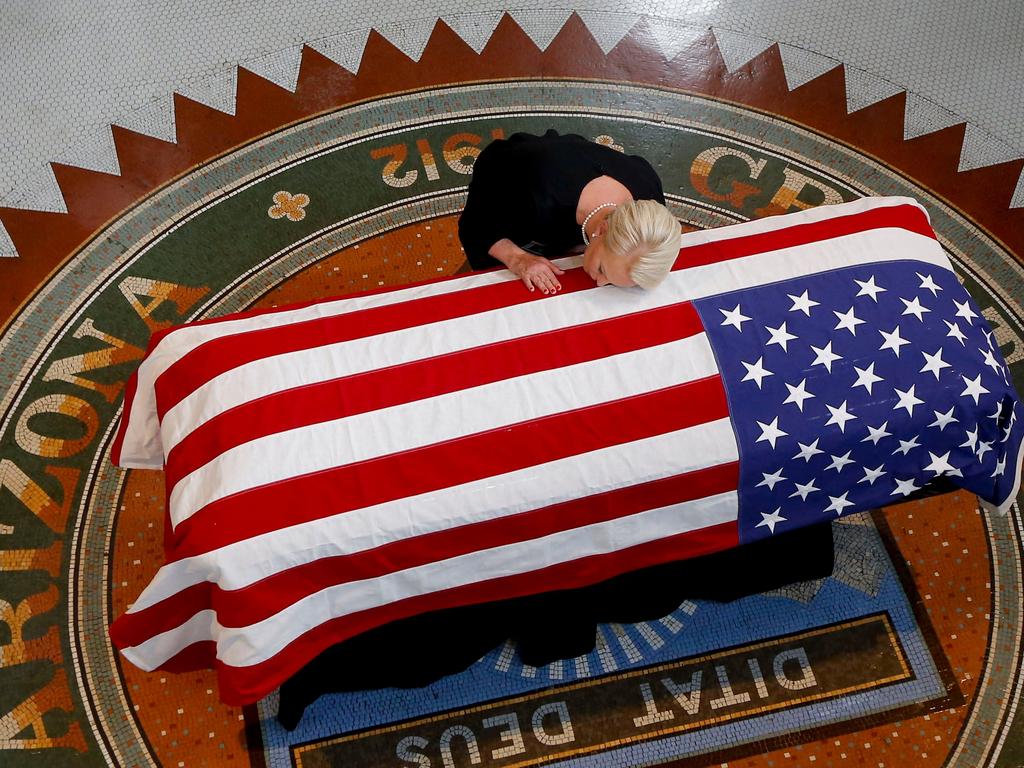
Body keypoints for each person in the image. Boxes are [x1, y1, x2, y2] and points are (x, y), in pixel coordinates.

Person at [458, 129, 681, 294]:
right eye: (602, 269)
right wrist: (517, 258)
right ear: (602, 230)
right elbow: (475, 225)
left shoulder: (650, 206)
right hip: (507, 180)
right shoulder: (538, 194)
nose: (600, 282)